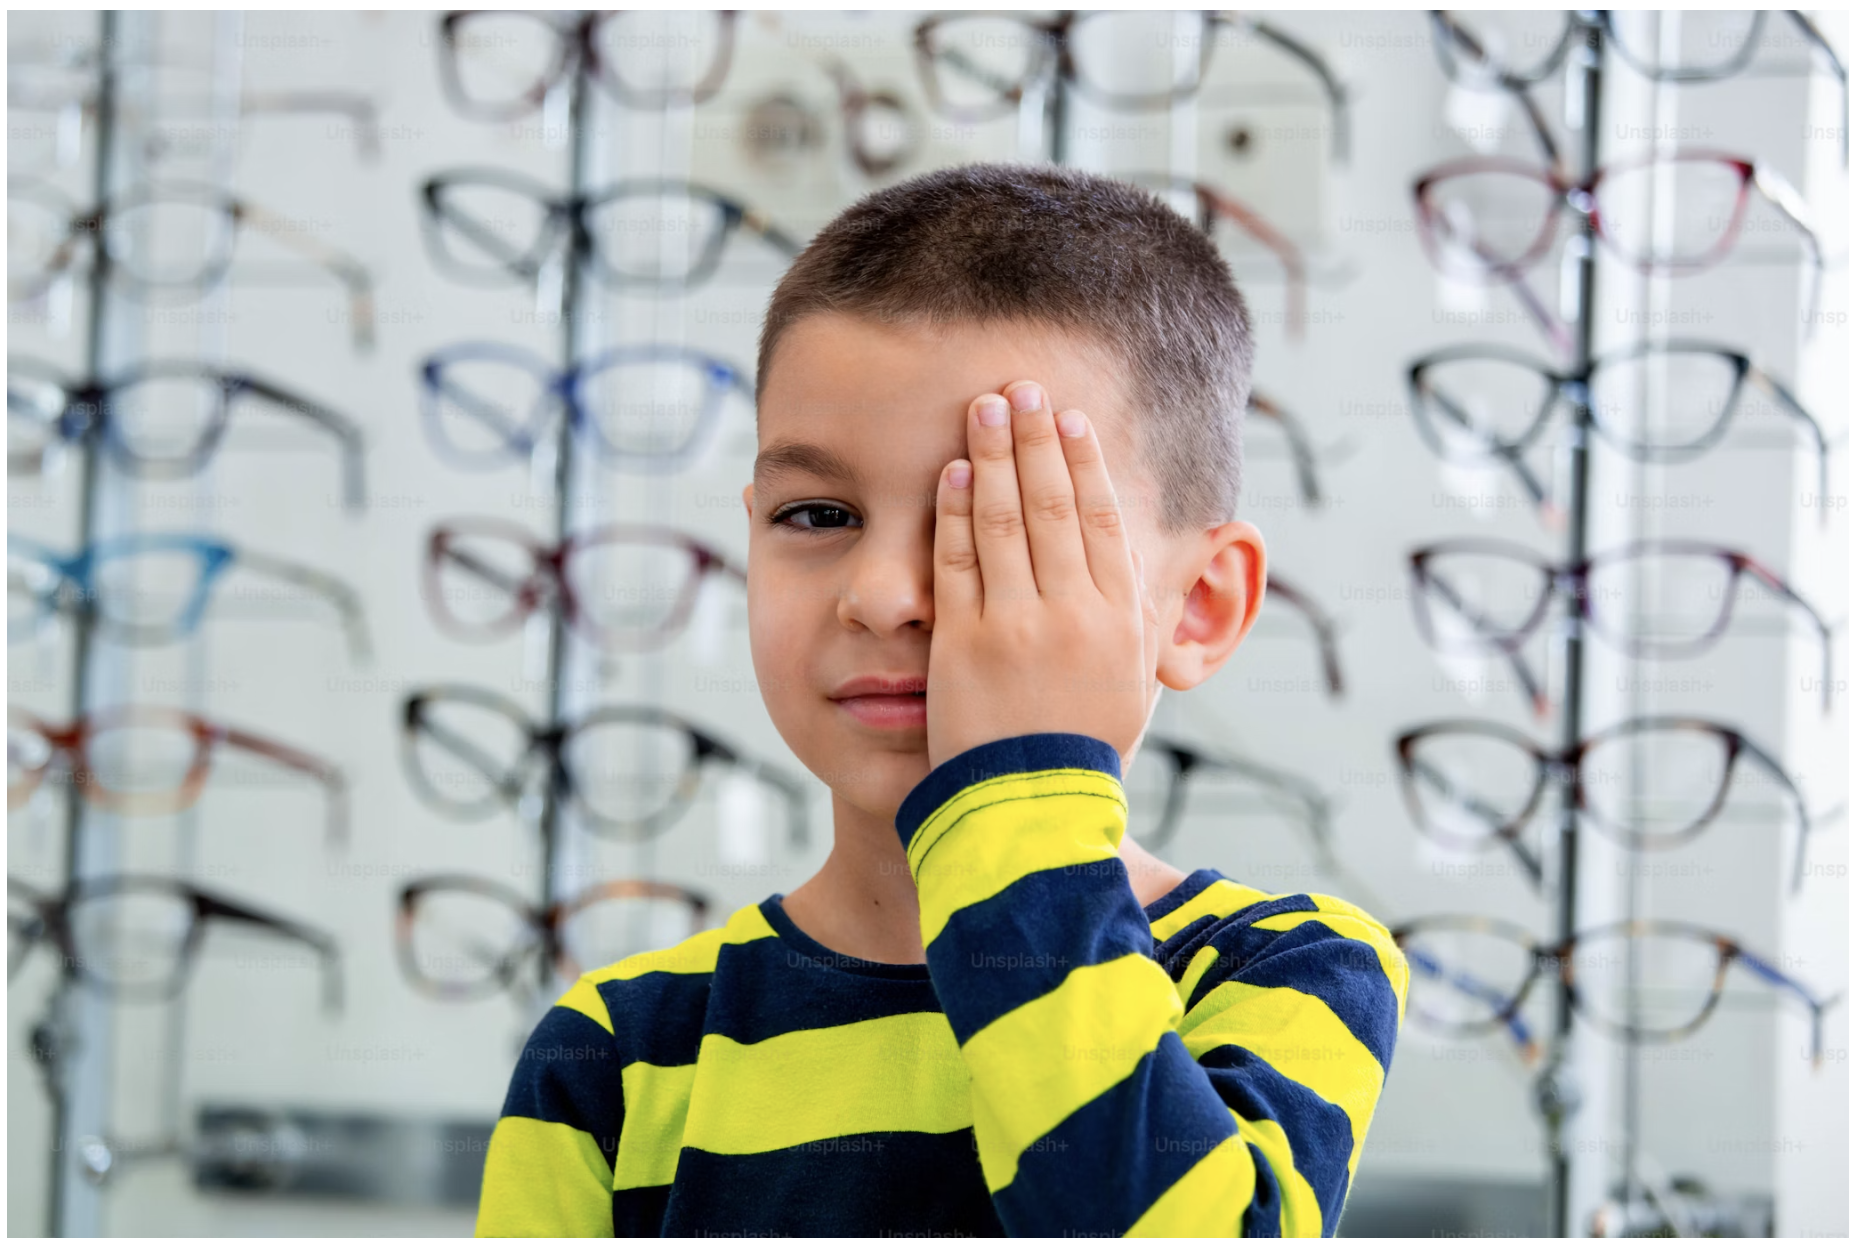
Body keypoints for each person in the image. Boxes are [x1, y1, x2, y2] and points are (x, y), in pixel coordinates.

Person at [475, 163, 1408, 1238]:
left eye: (1005, 526)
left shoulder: (1281, 969)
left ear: (1195, 606)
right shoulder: (616, 1052)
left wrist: (1019, 793)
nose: (882, 595)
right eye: (818, 513)